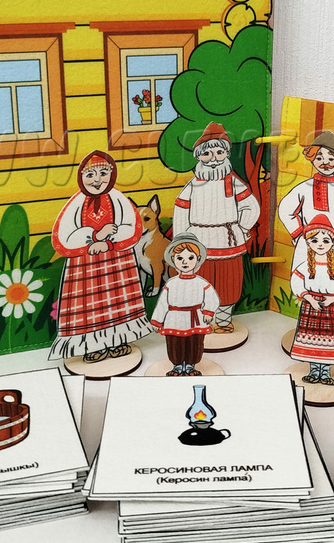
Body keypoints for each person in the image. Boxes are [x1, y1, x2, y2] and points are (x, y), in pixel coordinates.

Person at [48, 150, 152, 363]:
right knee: (89, 307)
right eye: (90, 175)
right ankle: (92, 346)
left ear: (112, 174)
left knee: (118, 302)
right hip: (84, 266)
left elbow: (132, 227)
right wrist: (94, 236)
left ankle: (118, 341)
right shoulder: (76, 203)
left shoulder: (117, 198)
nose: (97, 180)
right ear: (81, 177)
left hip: (117, 262)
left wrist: (108, 242)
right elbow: (64, 237)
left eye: (103, 173)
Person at [172, 122, 259, 332]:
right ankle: (203, 321)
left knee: (229, 281)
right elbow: (181, 209)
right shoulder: (193, 185)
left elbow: (251, 206)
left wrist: (241, 228)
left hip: (228, 240)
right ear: (199, 156)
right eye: (207, 154)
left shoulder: (234, 183)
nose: (213, 159)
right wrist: (181, 239)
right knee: (201, 280)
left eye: (219, 153)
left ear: (226, 155)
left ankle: (223, 320)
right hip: (199, 240)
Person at [277, 130, 334, 281]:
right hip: (309, 247)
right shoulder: (304, 188)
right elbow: (285, 209)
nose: (325, 163)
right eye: (319, 158)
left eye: (331, 158)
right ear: (312, 160)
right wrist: (298, 233)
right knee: (307, 282)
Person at [288, 216, 334, 385]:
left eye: (325, 240)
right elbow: (296, 282)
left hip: (331, 308)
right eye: (315, 240)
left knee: (328, 342)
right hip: (311, 307)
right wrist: (309, 298)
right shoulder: (304, 267)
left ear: (332, 243)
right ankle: (313, 371)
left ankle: (325, 373)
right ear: (308, 243)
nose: (320, 244)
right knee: (312, 340)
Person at [150, 235, 219, 376]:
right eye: (180, 258)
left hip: (196, 319)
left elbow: (212, 298)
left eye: (190, 258)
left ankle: (190, 367)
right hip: (174, 319)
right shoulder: (171, 283)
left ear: (198, 259)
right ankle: (177, 366)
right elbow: (163, 303)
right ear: (173, 260)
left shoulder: (201, 283)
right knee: (175, 343)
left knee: (194, 343)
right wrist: (157, 321)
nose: (185, 262)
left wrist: (208, 312)